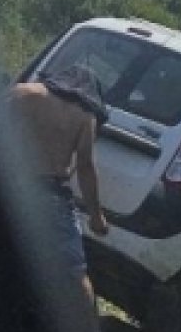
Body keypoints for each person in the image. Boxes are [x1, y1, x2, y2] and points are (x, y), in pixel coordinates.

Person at [8, 67, 110, 303]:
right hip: (50, 195)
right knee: (75, 275)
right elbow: (85, 167)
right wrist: (97, 216)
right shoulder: (85, 116)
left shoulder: (23, 93)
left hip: (9, 185)